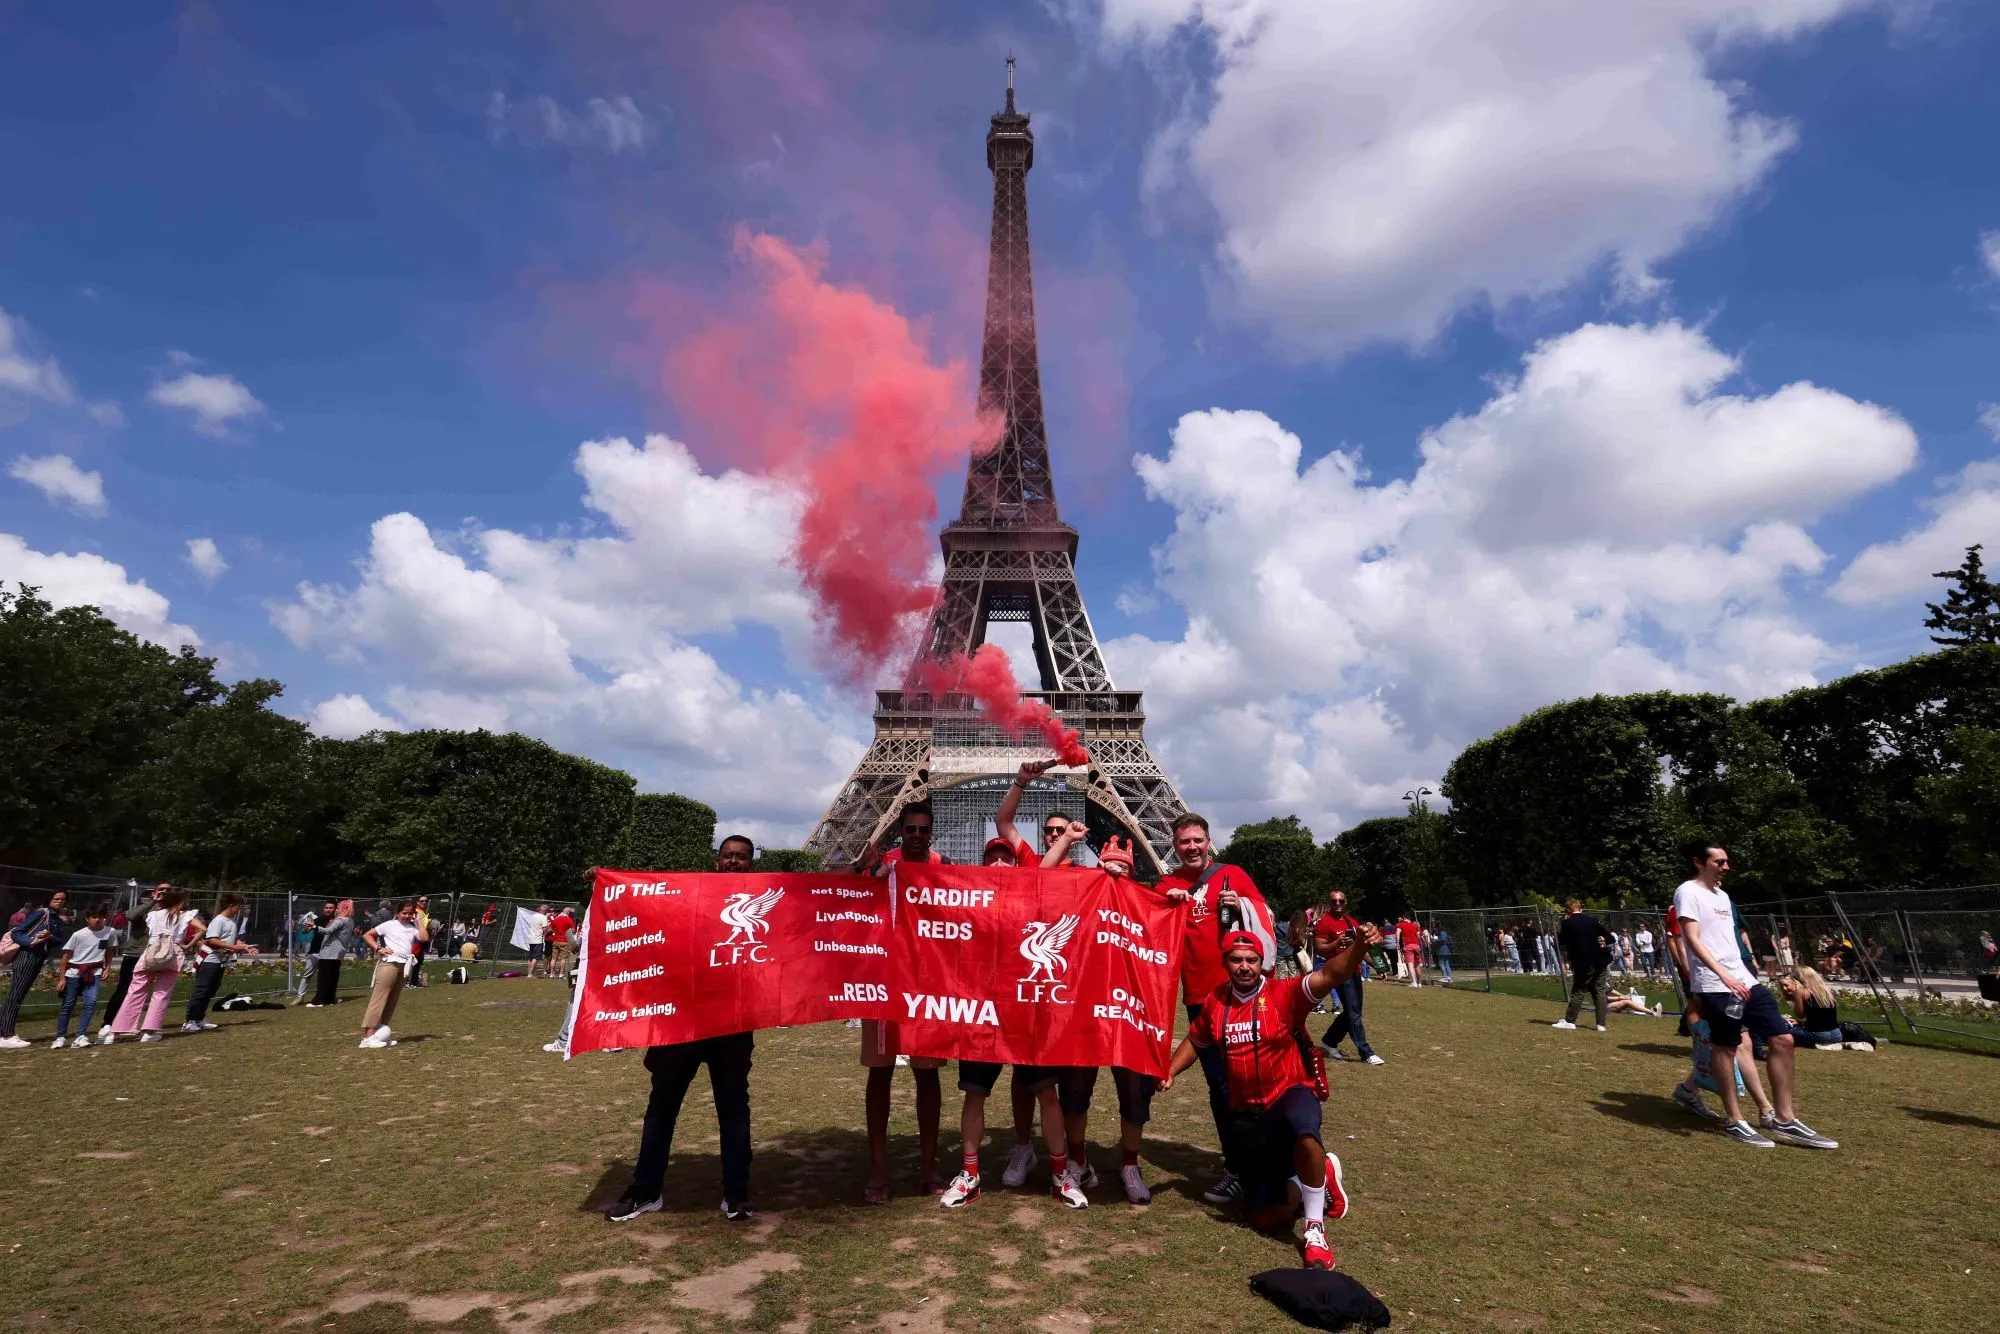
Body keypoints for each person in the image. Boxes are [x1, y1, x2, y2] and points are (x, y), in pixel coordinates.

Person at [1161, 921, 1384, 1271]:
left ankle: (1314, 1229)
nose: (1244, 966)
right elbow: (1196, 1039)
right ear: (1226, 962)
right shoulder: (1215, 1003)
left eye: (1251, 959)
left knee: (1306, 1133)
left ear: (1262, 962)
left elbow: (1331, 976)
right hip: (1249, 1115)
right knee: (1263, 1218)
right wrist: (1171, 1071)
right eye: (1236, 959)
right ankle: (1316, 1177)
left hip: (1290, 1093)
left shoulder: (1285, 993)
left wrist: (1359, 948)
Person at [607, 835, 762, 1224]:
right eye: (727, 856)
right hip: (682, 1020)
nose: (733, 862)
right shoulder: (688, 894)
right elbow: (648, 900)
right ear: (716, 861)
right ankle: (645, 1189)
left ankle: (736, 1191)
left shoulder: (764, 898)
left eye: (741, 858)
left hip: (731, 1023)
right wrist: (607, 880)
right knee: (662, 1108)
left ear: (752, 865)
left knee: (733, 1110)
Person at [1674, 840, 1837, 1150]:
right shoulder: (1687, 892)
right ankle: (1735, 1121)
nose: (1726, 866)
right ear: (1699, 862)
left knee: (1784, 1038)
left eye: (1726, 861)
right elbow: (1692, 940)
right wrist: (1721, 974)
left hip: (1745, 980)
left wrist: (1747, 970)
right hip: (1715, 984)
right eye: (1719, 861)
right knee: (1726, 1047)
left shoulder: (1723, 895)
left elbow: (1728, 940)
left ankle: (1784, 1119)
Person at [1156, 811, 1271, 1208]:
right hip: (1200, 1001)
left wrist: (1239, 905)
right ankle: (1239, 1168)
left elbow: (1266, 921)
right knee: (1221, 1088)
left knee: (1256, 1082)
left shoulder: (1233, 876)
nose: (1191, 847)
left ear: (1208, 842)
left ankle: (1269, 1163)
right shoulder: (1167, 884)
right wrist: (1162, 903)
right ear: (1174, 845)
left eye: (1197, 840)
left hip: (1243, 997)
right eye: (1184, 841)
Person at [856, 802, 947, 1202]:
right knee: (880, 1074)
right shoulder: (882, 867)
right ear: (901, 830)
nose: (915, 835)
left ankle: (928, 1169)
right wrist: (866, 874)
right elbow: (835, 896)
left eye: (922, 830)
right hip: (883, 983)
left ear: (931, 833)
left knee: (928, 1077)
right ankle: (879, 1170)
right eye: (909, 829)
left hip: (925, 987)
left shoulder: (945, 868)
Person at [104, 886, 197, 1044]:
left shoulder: (152, 915)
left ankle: (116, 1031)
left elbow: (136, 918)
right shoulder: (186, 915)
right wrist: (187, 944)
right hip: (171, 954)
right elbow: (202, 928)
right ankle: (149, 1031)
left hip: (150, 954)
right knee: (161, 993)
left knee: (135, 991)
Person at [1315, 892, 1382, 1067]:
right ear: (1329, 903)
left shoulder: (1351, 922)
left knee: (1354, 1011)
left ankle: (1329, 1041)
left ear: (1346, 902)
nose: (1337, 903)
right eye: (1334, 901)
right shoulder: (1324, 922)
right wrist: (1337, 943)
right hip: (1338, 972)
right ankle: (1366, 1052)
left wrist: (1377, 967)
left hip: (1355, 971)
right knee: (1353, 1012)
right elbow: (1319, 948)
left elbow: (1363, 949)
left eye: (1341, 901)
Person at [0, 890, 68, 1047]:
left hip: (39, 957)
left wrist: (50, 937)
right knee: (15, 995)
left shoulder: (56, 918)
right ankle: (6, 1034)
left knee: (18, 994)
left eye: (62, 900)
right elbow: (17, 932)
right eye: (56, 899)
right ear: (49, 900)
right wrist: (32, 940)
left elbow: (58, 941)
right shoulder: (41, 913)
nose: (59, 902)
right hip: (27, 956)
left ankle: (4, 1031)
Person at [183, 893, 257, 1034]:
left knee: (211, 990)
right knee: (202, 990)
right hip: (210, 960)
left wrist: (244, 946)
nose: (239, 910)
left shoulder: (231, 921)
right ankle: (190, 1020)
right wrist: (234, 947)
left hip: (220, 961)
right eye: (238, 907)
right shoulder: (219, 921)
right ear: (230, 906)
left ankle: (199, 1018)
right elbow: (212, 940)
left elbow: (231, 940)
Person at [358, 900, 427, 1048]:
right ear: (398, 913)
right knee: (379, 999)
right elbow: (368, 935)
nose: (407, 916)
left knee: (391, 1001)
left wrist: (419, 921)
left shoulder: (413, 927)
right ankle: (367, 1037)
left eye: (410, 913)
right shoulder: (389, 925)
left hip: (404, 965)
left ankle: (380, 1034)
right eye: (404, 913)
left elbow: (424, 938)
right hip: (389, 963)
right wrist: (378, 948)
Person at [50, 903, 114, 1048]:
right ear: (87, 918)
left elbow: (109, 950)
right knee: (68, 1005)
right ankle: (60, 1037)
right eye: (94, 917)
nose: (98, 920)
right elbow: (65, 956)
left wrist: (107, 968)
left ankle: (81, 1035)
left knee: (90, 1003)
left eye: (101, 917)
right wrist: (62, 978)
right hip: (74, 973)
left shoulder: (109, 932)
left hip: (94, 973)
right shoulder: (78, 935)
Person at [1552, 899, 1613, 1032]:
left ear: (1568, 911)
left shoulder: (1568, 923)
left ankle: (1570, 1021)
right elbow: (1610, 938)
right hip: (1600, 959)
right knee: (1600, 990)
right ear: (1581, 908)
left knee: (1579, 991)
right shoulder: (1592, 920)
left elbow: (1561, 941)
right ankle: (1601, 1024)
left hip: (1583, 962)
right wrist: (1601, 940)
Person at [1777, 966, 1850, 1049]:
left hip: (1819, 1036)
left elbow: (1800, 1014)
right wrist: (1800, 1023)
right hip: (1837, 1034)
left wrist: (1795, 997)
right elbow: (1821, 1017)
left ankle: (1821, 1044)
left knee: (1785, 1032)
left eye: (1794, 976)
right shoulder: (1825, 990)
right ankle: (1834, 1044)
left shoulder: (1801, 991)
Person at [309, 900, 354, 1007]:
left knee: (324, 977)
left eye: (338, 908)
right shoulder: (350, 920)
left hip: (329, 952)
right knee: (333, 977)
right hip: (339, 952)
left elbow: (328, 931)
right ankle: (329, 999)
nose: (336, 910)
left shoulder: (340, 920)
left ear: (343, 909)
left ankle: (318, 1001)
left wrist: (314, 926)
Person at [522, 904, 551, 978]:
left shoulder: (534, 915)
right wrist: (549, 928)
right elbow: (544, 929)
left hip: (531, 939)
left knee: (530, 957)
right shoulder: (543, 917)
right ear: (545, 911)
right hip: (538, 940)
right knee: (536, 957)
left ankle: (530, 973)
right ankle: (530, 974)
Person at [547, 903, 575, 980]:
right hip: (565, 941)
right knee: (563, 959)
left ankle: (552, 974)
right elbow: (573, 931)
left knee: (553, 958)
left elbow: (550, 929)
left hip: (556, 940)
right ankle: (561, 974)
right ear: (568, 913)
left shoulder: (556, 919)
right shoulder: (569, 920)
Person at [1395, 914, 1423, 987]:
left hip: (1408, 945)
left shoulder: (1400, 925)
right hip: (1416, 945)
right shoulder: (1415, 925)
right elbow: (1418, 936)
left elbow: (1397, 934)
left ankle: (1414, 982)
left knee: (1410, 964)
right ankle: (1419, 983)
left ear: (1404, 918)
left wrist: (1397, 944)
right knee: (1417, 965)